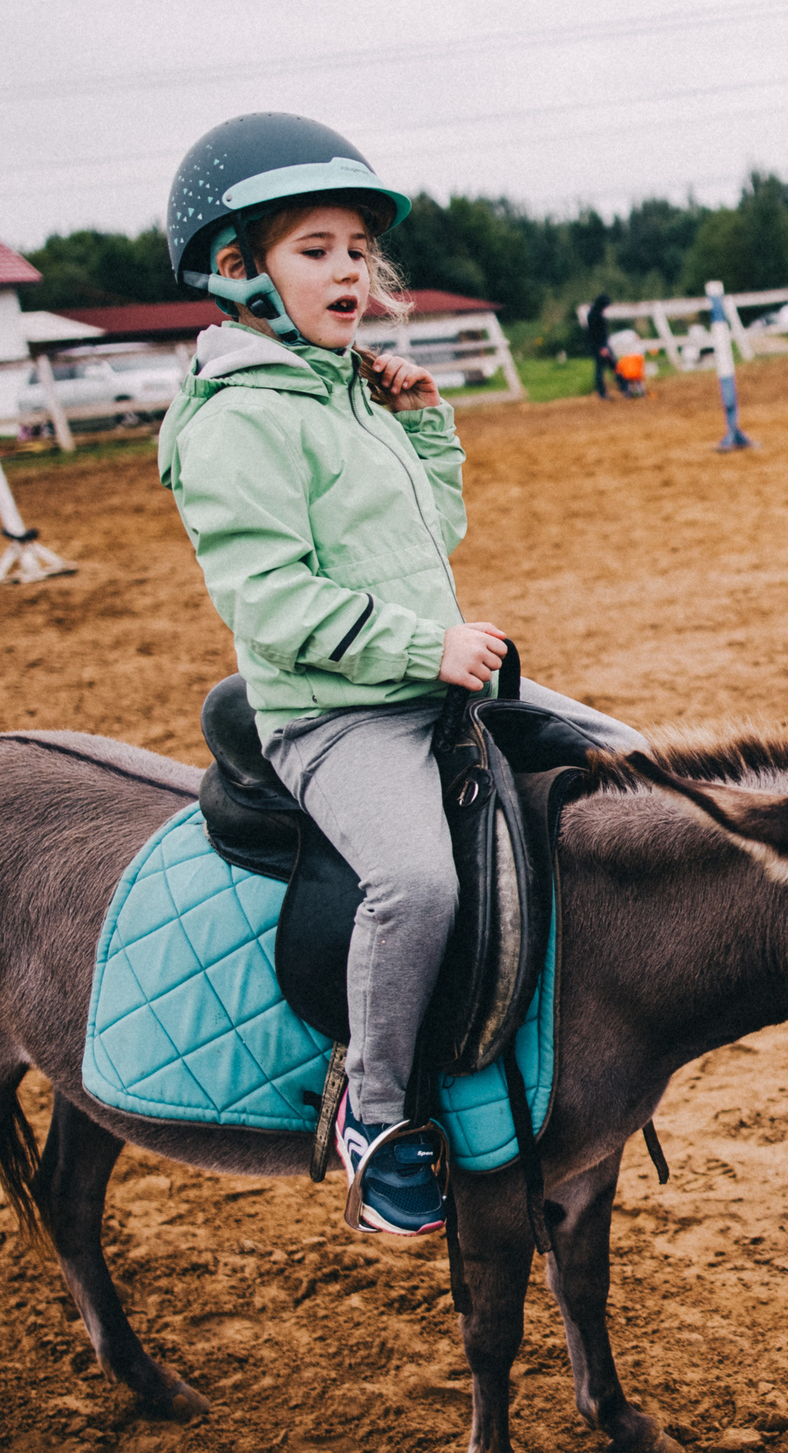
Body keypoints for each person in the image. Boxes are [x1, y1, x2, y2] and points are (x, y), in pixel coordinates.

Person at [156, 113, 643, 1237]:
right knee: (415, 885)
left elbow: (435, 535)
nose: (349, 271)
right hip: (335, 713)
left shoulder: (344, 387)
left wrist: (423, 429)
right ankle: (373, 1117)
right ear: (240, 271)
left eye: (356, 250)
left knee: (632, 766)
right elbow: (267, 603)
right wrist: (424, 648)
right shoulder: (240, 421)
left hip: (429, 683)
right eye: (315, 248)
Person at [588, 293, 620, 399]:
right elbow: (597, 334)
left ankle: (622, 387)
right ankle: (603, 393)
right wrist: (602, 348)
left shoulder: (593, 314)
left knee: (612, 366)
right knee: (602, 369)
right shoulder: (596, 317)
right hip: (601, 346)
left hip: (599, 345)